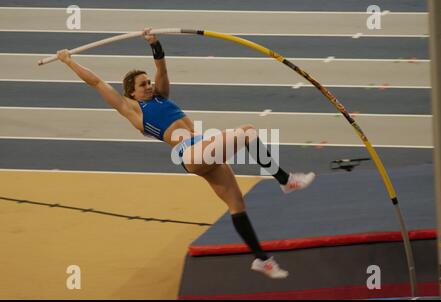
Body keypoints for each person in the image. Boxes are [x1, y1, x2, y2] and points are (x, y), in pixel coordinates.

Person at [56, 27, 315, 279]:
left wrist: (154, 43)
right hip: (189, 153)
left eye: (148, 82)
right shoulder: (131, 109)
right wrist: (69, 61)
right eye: (142, 85)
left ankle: (261, 260)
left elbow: (162, 68)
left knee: (237, 205)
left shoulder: (162, 96)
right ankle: (285, 181)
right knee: (247, 132)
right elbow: (96, 82)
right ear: (131, 92)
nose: (148, 86)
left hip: (201, 147)